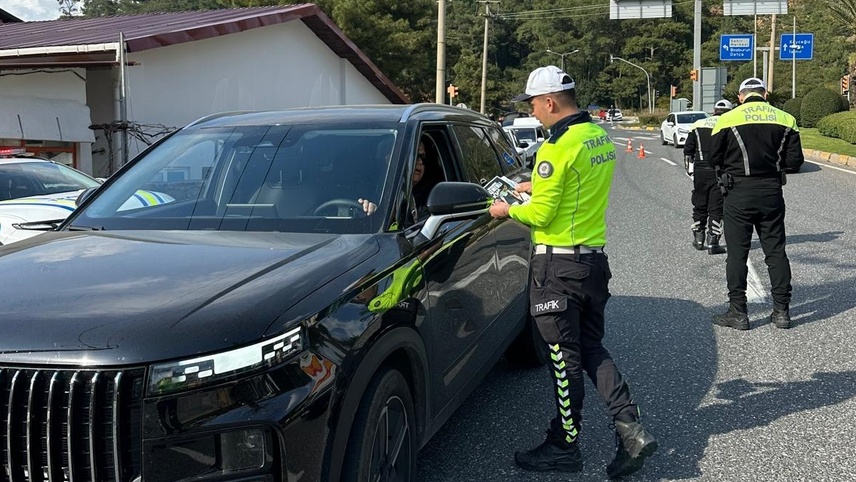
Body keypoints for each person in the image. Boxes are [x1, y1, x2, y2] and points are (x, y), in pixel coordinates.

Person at [489, 65, 657, 479]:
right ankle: (630, 428)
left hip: (557, 265)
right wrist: (536, 186)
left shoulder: (555, 148)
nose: (532, 112)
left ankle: (564, 445)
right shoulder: (596, 136)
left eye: (532, 104)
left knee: (563, 360)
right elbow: (571, 187)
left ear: (550, 102)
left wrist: (507, 207)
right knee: (592, 349)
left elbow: (543, 213)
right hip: (592, 261)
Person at [709, 77, 804, 330]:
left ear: (741, 97)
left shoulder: (727, 119)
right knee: (775, 251)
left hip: (738, 191)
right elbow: (795, 162)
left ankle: (738, 313)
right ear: (765, 95)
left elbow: (712, 157)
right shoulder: (785, 118)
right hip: (771, 191)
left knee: (737, 255)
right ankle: (782, 312)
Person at [683, 99, 733, 254]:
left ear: (714, 110)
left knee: (700, 203)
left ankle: (698, 239)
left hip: (700, 170)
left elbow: (688, 150)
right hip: (720, 170)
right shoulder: (729, 124)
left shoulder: (698, 124)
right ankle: (713, 242)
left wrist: (691, 166)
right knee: (716, 206)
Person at [358, 138, 427, 220]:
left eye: (423, 158)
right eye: (415, 156)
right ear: (389, 158)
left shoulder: (428, 199)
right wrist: (373, 214)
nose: (420, 162)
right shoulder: (369, 190)